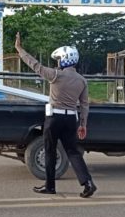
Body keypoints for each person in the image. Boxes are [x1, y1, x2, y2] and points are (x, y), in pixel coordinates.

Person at [14, 32, 97, 198]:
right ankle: (88, 183)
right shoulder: (82, 80)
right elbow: (85, 104)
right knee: (72, 151)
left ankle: (50, 186)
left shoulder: (55, 75)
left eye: (59, 59)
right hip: (71, 119)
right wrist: (83, 124)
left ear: (65, 59)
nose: (58, 62)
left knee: (50, 151)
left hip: (54, 118)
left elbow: (34, 64)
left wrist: (19, 49)